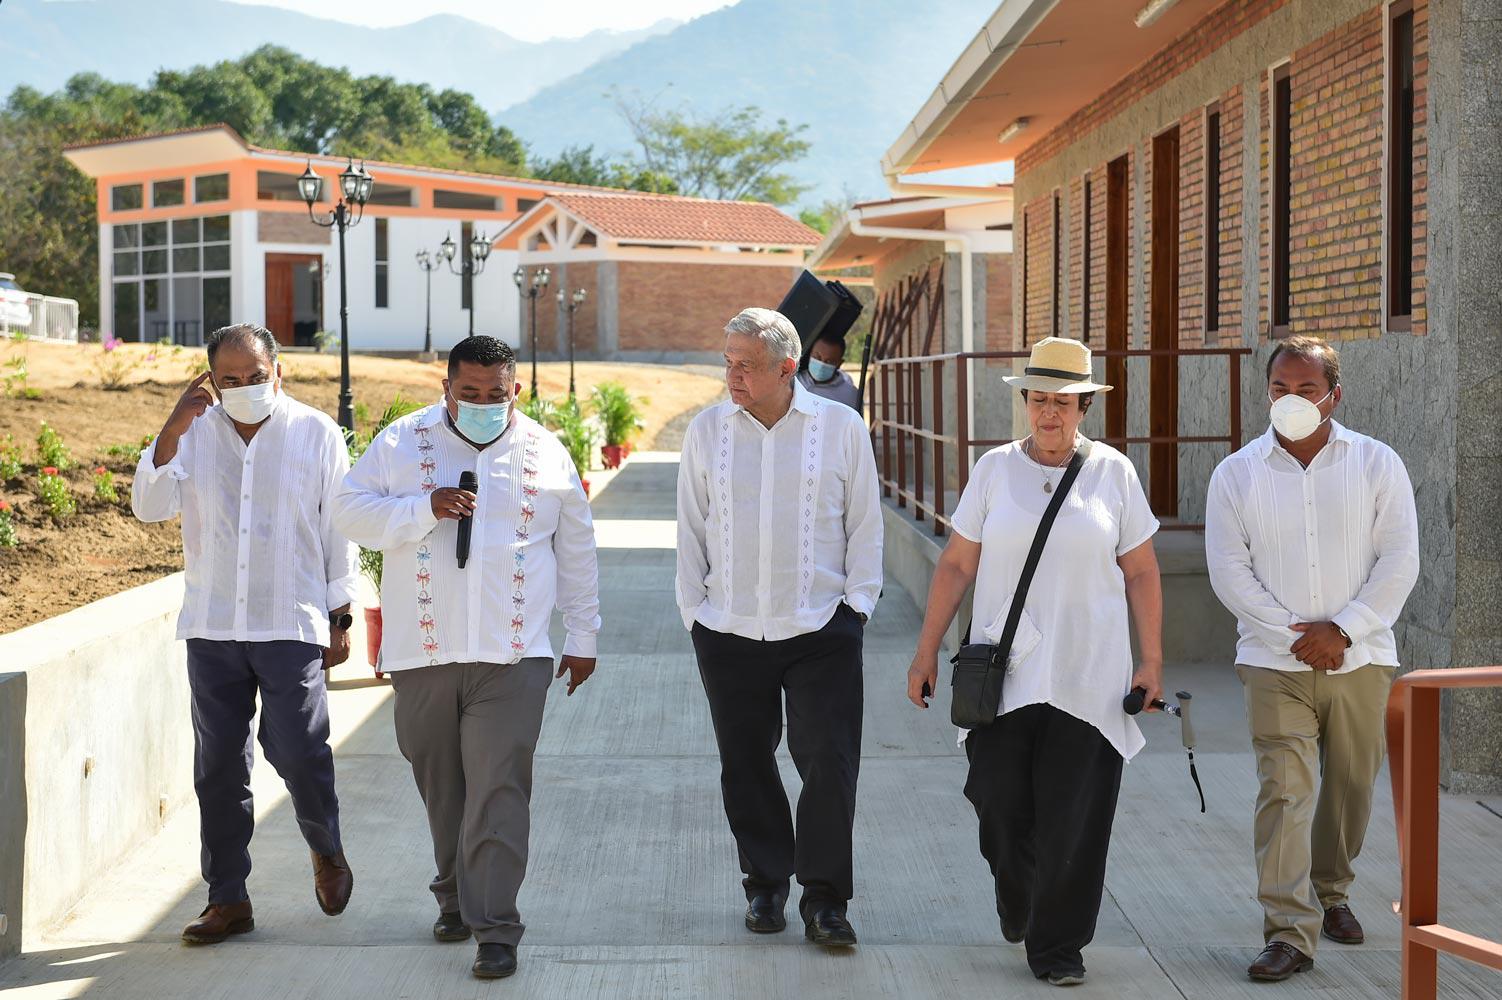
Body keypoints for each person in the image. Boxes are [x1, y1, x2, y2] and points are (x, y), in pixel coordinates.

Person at [332, 335, 600, 981]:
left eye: (495, 393)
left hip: (513, 656)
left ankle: (496, 928)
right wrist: (421, 508)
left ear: (516, 390)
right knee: (445, 789)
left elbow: (576, 548)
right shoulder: (402, 442)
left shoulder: (546, 452)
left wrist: (583, 636)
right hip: (423, 653)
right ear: (446, 387)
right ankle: (454, 895)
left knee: (499, 787)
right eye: (469, 393)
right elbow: (347, 510)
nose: (482, 403)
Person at [905, 336, 1164, 988]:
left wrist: (1151, 662)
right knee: (998, 804)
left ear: (1084, 408)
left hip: (1088, 675)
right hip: (1007, 674)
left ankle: (1058, 947)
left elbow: (1140, 571)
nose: (1050, 414)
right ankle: (1018, 893)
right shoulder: (994, 469)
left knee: (1074, 820)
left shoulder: (1113, 474)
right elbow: (957, 564)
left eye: (1064, 403)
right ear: (1025, 401)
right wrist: (926, 651)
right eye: (1039, 400)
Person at [130, 323, 357, 945]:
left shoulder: (315, 432)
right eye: (229, 379)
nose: (244, 388)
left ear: (277, 372)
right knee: (219, 769)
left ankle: (326, 848)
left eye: (255, 377)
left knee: (300, 748)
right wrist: (172, 428)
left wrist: (340, 615)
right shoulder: (193, 432)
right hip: (213, 624)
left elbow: (338, 530)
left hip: (289, 619)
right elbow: (149, 506)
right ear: (211, 380)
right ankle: (228, 899)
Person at [1205, 335, 1419, 983]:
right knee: (1286, 790)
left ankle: (1332, 892)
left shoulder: (1377, 463)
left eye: (1306, 389)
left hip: (1363, 658)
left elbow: (1400, 560)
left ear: (1334, 395)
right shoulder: (1236, 474)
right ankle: (1288, 932)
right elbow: (1228, 570)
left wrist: (1344, 630)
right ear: (1266, 392)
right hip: (1274, 663)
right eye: (1279, 389)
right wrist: (1297, 635)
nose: (1291, 400)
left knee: (1350, 787)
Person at [676, 307, 882, 949]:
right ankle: (765, 884)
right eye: (728, 362)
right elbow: (690, 527)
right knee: (745, 764)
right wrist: (695, 614)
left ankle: (826, 901)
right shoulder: (707, 431)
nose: (732, 375)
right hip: (729, 628)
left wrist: (856, 609)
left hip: (821, 627)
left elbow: (864, 523)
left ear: (787, 368)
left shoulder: (841, 427)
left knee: (828, 762)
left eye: (746, 365)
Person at [795, 331, 862, 412]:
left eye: (829, 361)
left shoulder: (851, 396)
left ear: (839, 364)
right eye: (817, 357)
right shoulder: (792, 379)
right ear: (810, 354)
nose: (821, 364)